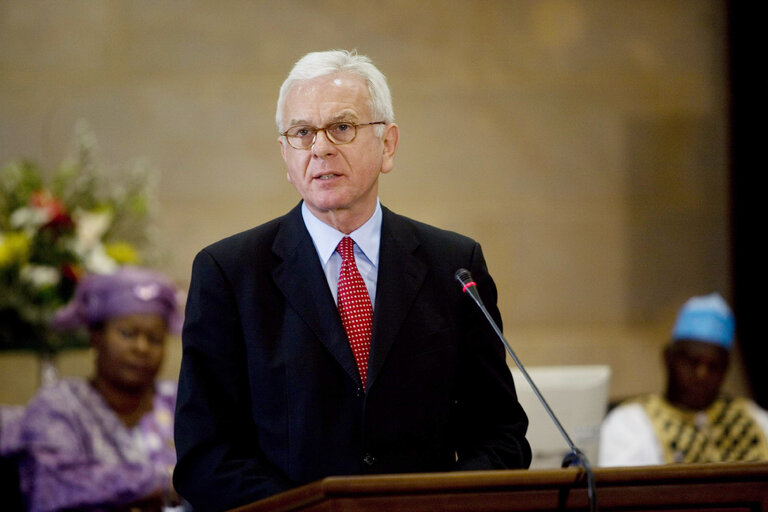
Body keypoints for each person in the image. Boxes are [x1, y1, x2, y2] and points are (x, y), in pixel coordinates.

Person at [173, 49, 531, 510]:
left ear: (388, 145)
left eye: (342, 127)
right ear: (286, 156)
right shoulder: (229, 272)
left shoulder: (454, 265)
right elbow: (205, 456)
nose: (320, 148)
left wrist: (435, 505)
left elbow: (500, 435)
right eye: (302, 133)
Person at [12, 266, 184, 511]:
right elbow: (54, 486)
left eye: (155, 339)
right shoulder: (59, 405)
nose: (142, 348)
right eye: (127, 334)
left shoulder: (181, 402)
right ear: (96, 337)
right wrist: (166, 485)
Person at [599, 292, 768, 466]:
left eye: (714, 366)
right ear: (668, 358)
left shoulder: (755, 420)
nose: (702, 374)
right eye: (692, 362)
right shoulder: (630, 424)